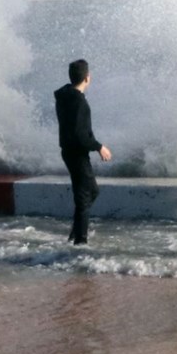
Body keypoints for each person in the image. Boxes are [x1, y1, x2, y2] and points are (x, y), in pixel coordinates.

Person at [54, 59, 112, 244]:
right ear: (88, 78)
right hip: (77, 153)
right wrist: (99, 147)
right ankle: (81, 241)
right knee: (85, 195)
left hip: (69, 151)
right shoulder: (79, 102)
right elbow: (80, 134)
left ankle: (76, 230)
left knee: (91, 191)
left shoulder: (65, 96)